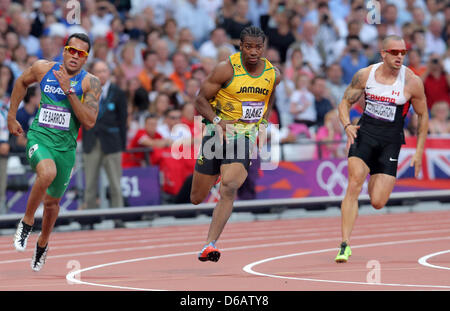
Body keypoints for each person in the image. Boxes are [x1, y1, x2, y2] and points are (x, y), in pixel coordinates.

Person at [7, 33, 101, 271]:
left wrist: (69, 91)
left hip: (66, 149)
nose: (75, 56)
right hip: (39, 137)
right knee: (46, 173)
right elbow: (20, 82)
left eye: (81, 54)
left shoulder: (91, 82)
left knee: (52, 204)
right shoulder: (42, 68)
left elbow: (89, 122)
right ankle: (26, 222)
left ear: (85, 59)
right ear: (64, 50)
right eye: (72, 50)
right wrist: (11, 116)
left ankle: (43, 242)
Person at [335, 35, 429, 263]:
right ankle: (344, 244)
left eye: (403, 53)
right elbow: (344, 102)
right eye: (394, 52)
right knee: (354, 184)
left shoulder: (411, 81)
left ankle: (374, 173)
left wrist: (418, 152)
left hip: (390, 142)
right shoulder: (366, 75)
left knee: (378, 202)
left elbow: (423, 115)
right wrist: (347, 124)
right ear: (383, 53)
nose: (399, 56)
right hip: (364, 135)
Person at [191, 26, 280, 262]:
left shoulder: (273, 74)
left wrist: (262, 123)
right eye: (248, 46)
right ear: (241, 46)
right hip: (217, 134)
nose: (253, 51)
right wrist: (217, 121)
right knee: (196, 197)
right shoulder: (225, 69)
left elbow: (269, 99)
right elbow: (199, 100)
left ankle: (209, 245)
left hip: (244, 136)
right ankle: (218, 172)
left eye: (258, 47)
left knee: (229, 187)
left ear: (264, 47)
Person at [82, 60, 127, 210]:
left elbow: (123, 120)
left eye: (104, 71)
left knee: (115, 184)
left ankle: (118, 216)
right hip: (91, 142)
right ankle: (90, 219)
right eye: (99, 71)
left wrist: (122, 145)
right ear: (93, 74)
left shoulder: (118, 92)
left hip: (112, 142)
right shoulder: (85, 92)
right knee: (90, 185)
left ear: (109, 73)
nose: (102, 74)